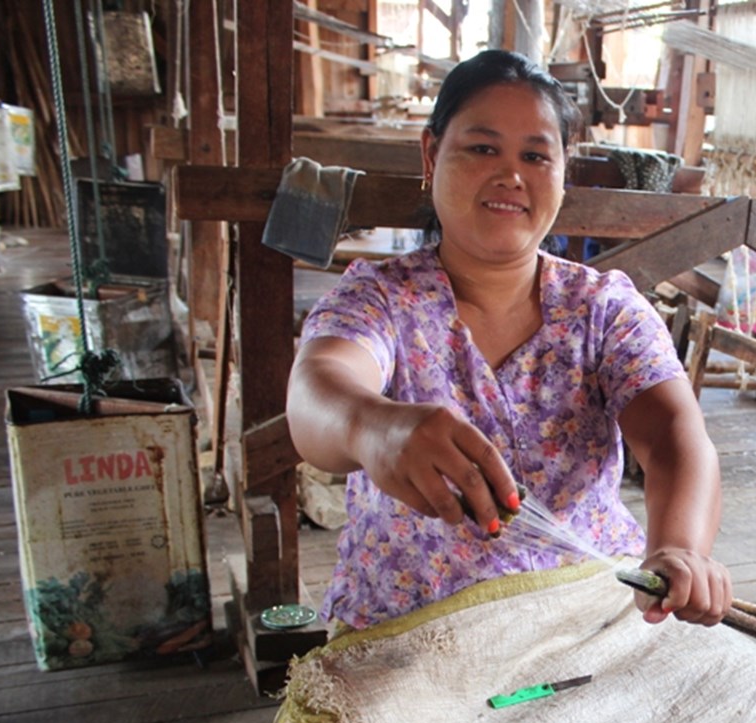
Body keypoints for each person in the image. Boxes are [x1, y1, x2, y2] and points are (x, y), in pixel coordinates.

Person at [286, 49, 731, 631]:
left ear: (562, 173)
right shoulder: (381, 299)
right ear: (431, 153)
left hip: (585, 614)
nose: (510, 175)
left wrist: (681, 548)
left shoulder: (601, 309)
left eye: (535, 156)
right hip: (412, 630)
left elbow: (675, 436)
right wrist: (374, 426)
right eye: (482, 148)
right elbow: (319, 389)